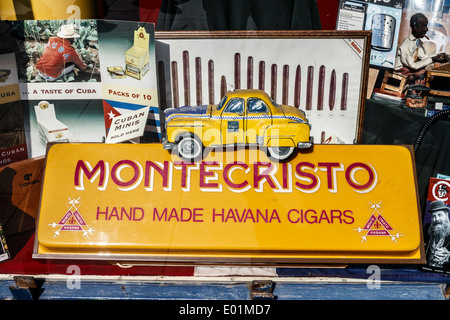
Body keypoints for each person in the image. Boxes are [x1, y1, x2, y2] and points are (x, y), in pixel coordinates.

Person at [394, 13, 448, 83]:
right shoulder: (406, 45)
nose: (426, 29)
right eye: (424, 26)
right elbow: (413, 66)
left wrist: (439, 56)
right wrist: (433, 59)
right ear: (415, 27)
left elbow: (423, 57)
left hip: (409, 68)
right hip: (402, 71)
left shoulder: (417, 41)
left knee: (428, 70)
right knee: (426, 74)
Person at [425, 200, 450, 269]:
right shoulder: (427, 230)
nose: (436, 219)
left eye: (439, 215)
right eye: (434, 216)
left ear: (446, 215)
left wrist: (448, 256)